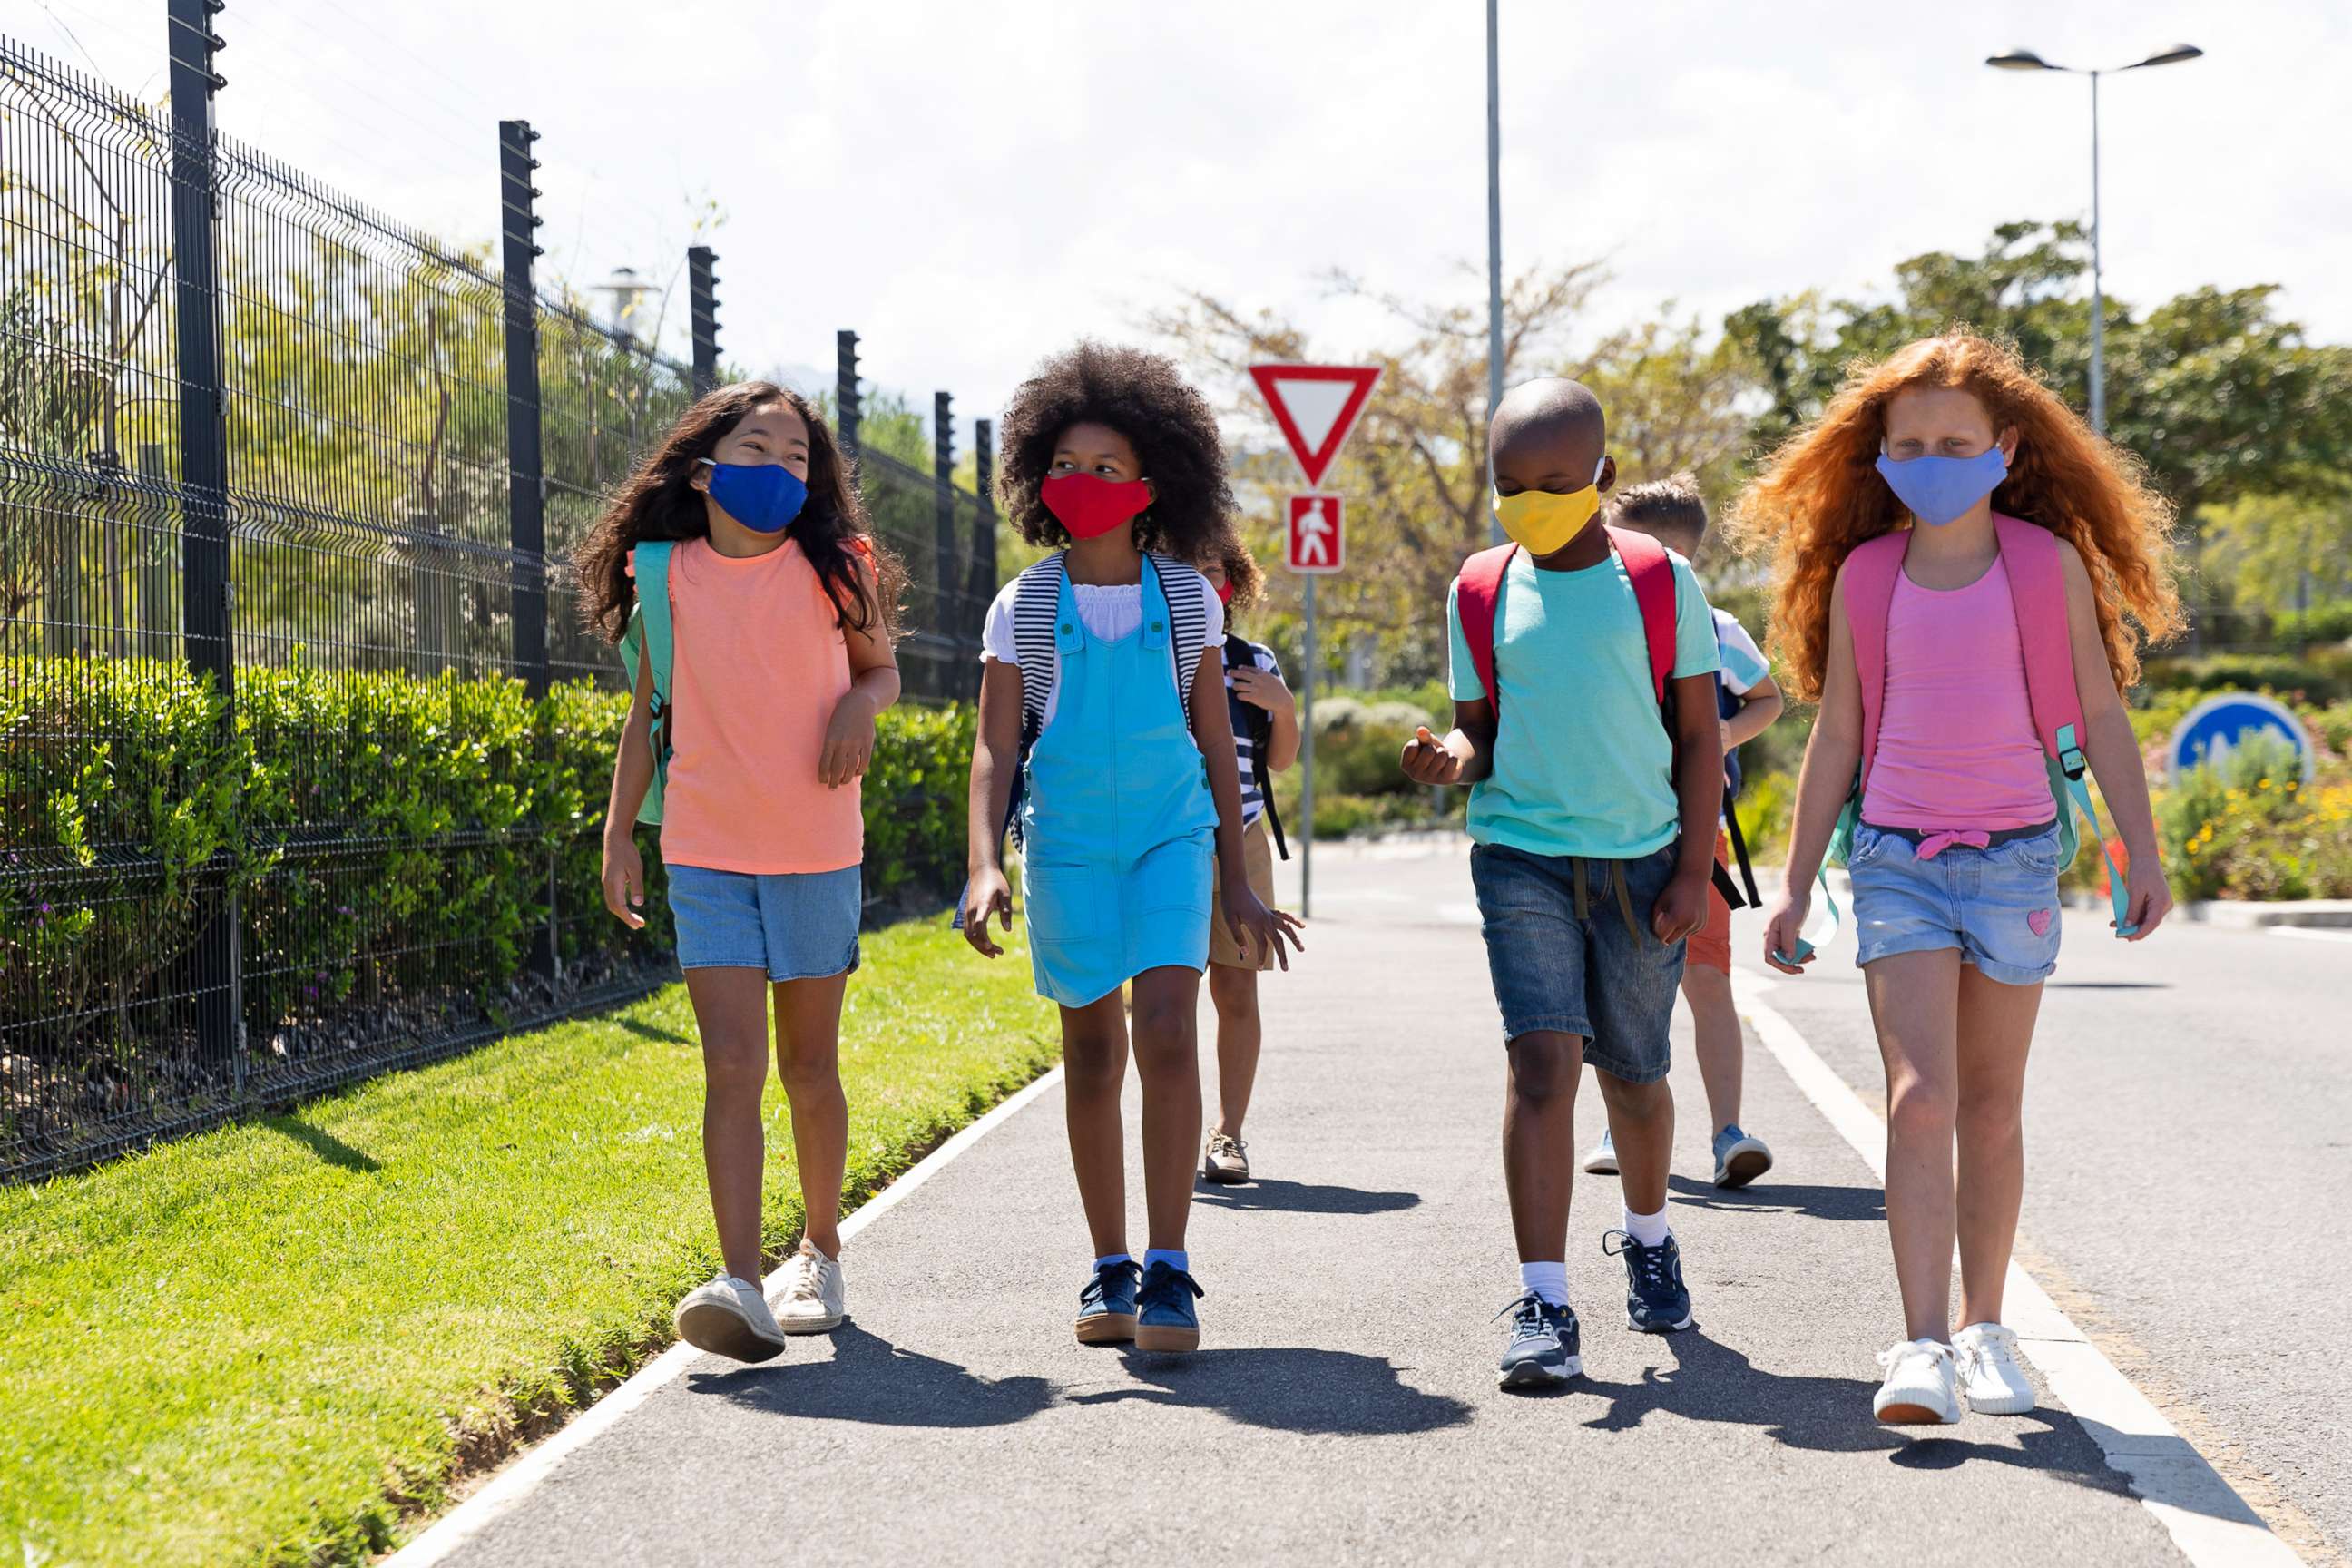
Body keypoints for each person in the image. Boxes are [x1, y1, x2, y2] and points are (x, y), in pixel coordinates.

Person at [1737, 330, 2180, 1425]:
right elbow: (1836, 734)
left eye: (1956, 440)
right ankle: (1921, 1344)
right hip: (1896, 860)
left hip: (2019, 856)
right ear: (1880, 456)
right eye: (1911, 442)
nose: (1933, 458)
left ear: (2005, 447)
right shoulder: (1868, 576)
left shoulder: (2045, 566)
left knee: (1989, 1109)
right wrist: (1794, 885)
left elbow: (2097, 714)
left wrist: (2141, 851)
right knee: (1919, 1098)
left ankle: (1988, 1328)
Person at [962, 342, 1302, 1355]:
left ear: (1152, 484)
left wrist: (1236, 884)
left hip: (1170, 841)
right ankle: (1108, 1262)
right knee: (1092, 1049)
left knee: (1165, 1025)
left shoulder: (1187, 599)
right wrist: (984, 861)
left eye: (1108, 468)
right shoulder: (1023, 606)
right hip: (1066, 849)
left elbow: (1214, 744)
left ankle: (1170, 1268)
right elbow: (994, 746)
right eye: (1066, 466)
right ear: (1038, 481)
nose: (1084, 483)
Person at [1400, 378, 1723, 1390]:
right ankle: (1544, 1301)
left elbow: (1702, 736)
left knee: (1634, 1076)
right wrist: (1450, 758)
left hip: (1641, 862)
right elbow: (1478, 728)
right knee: (1540, 1066)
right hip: (1520, 854)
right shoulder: (1482, 587)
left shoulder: (1662, 582)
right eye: (1509, 484)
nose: (1528, 500)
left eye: (1552, 482)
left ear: (1602, 477)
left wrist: (1692, 871)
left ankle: (1648, 1232)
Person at [581, 381, 903, 1363]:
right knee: (731, 1066)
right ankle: (738, 1278)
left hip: (814, 853)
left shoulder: (836, 568)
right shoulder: (665, 573)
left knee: (809, 1068)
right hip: (707, 851)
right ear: (704, 466)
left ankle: (820, 1251)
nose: (783, 471)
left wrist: (862, 705)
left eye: (800, 457)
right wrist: (619, 834)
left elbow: (880, 668)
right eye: (760, 450)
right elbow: (651, 708)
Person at [1583, 475, 1786, 1190]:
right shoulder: (1600, 621)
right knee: (1622, 986)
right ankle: (1618, 1124)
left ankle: (1728, 1132)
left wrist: (1724, 733)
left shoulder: (1717, 626)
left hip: (1698, 838)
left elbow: (1770, 699)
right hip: (1614, 832)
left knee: (1706, 981)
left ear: (1676, 556)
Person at [1196, 538, 1299, 1185]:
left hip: (1248, 835)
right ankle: (1176, 1127)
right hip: (1168, 839)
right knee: (1169, 992)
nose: (1203, 582)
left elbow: (1282, 759)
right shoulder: (1152, 654)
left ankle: (1228, 1133)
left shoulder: (1252, 660)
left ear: (1234, 581)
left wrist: (1281, 704)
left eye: (1214, 569)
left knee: (1236, 985)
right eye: (1185, 568)